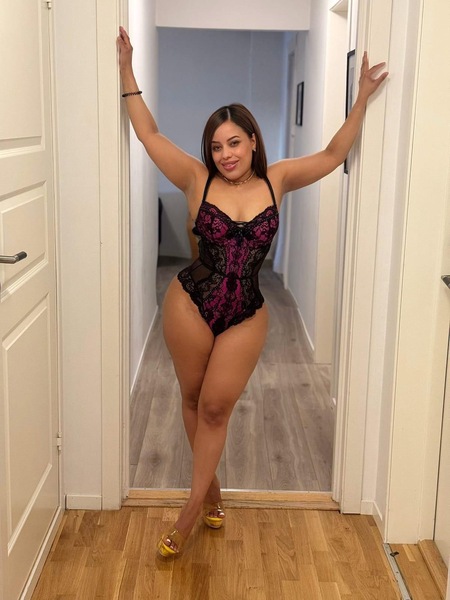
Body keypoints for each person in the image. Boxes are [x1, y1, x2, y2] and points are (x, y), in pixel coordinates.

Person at [117, 26, 388, 557]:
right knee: (191, 398)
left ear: (253, 141)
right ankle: (211, 493)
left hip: (247, 309)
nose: (225, 154)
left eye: (234, 142)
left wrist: (360, 100)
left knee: (216, 407)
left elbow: (335, 153)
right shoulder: (196, 179)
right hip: (190, 302)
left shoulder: (277, 180)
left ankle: (189, 511)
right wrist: (127, 70)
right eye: (216, 146)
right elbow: (148, 134)